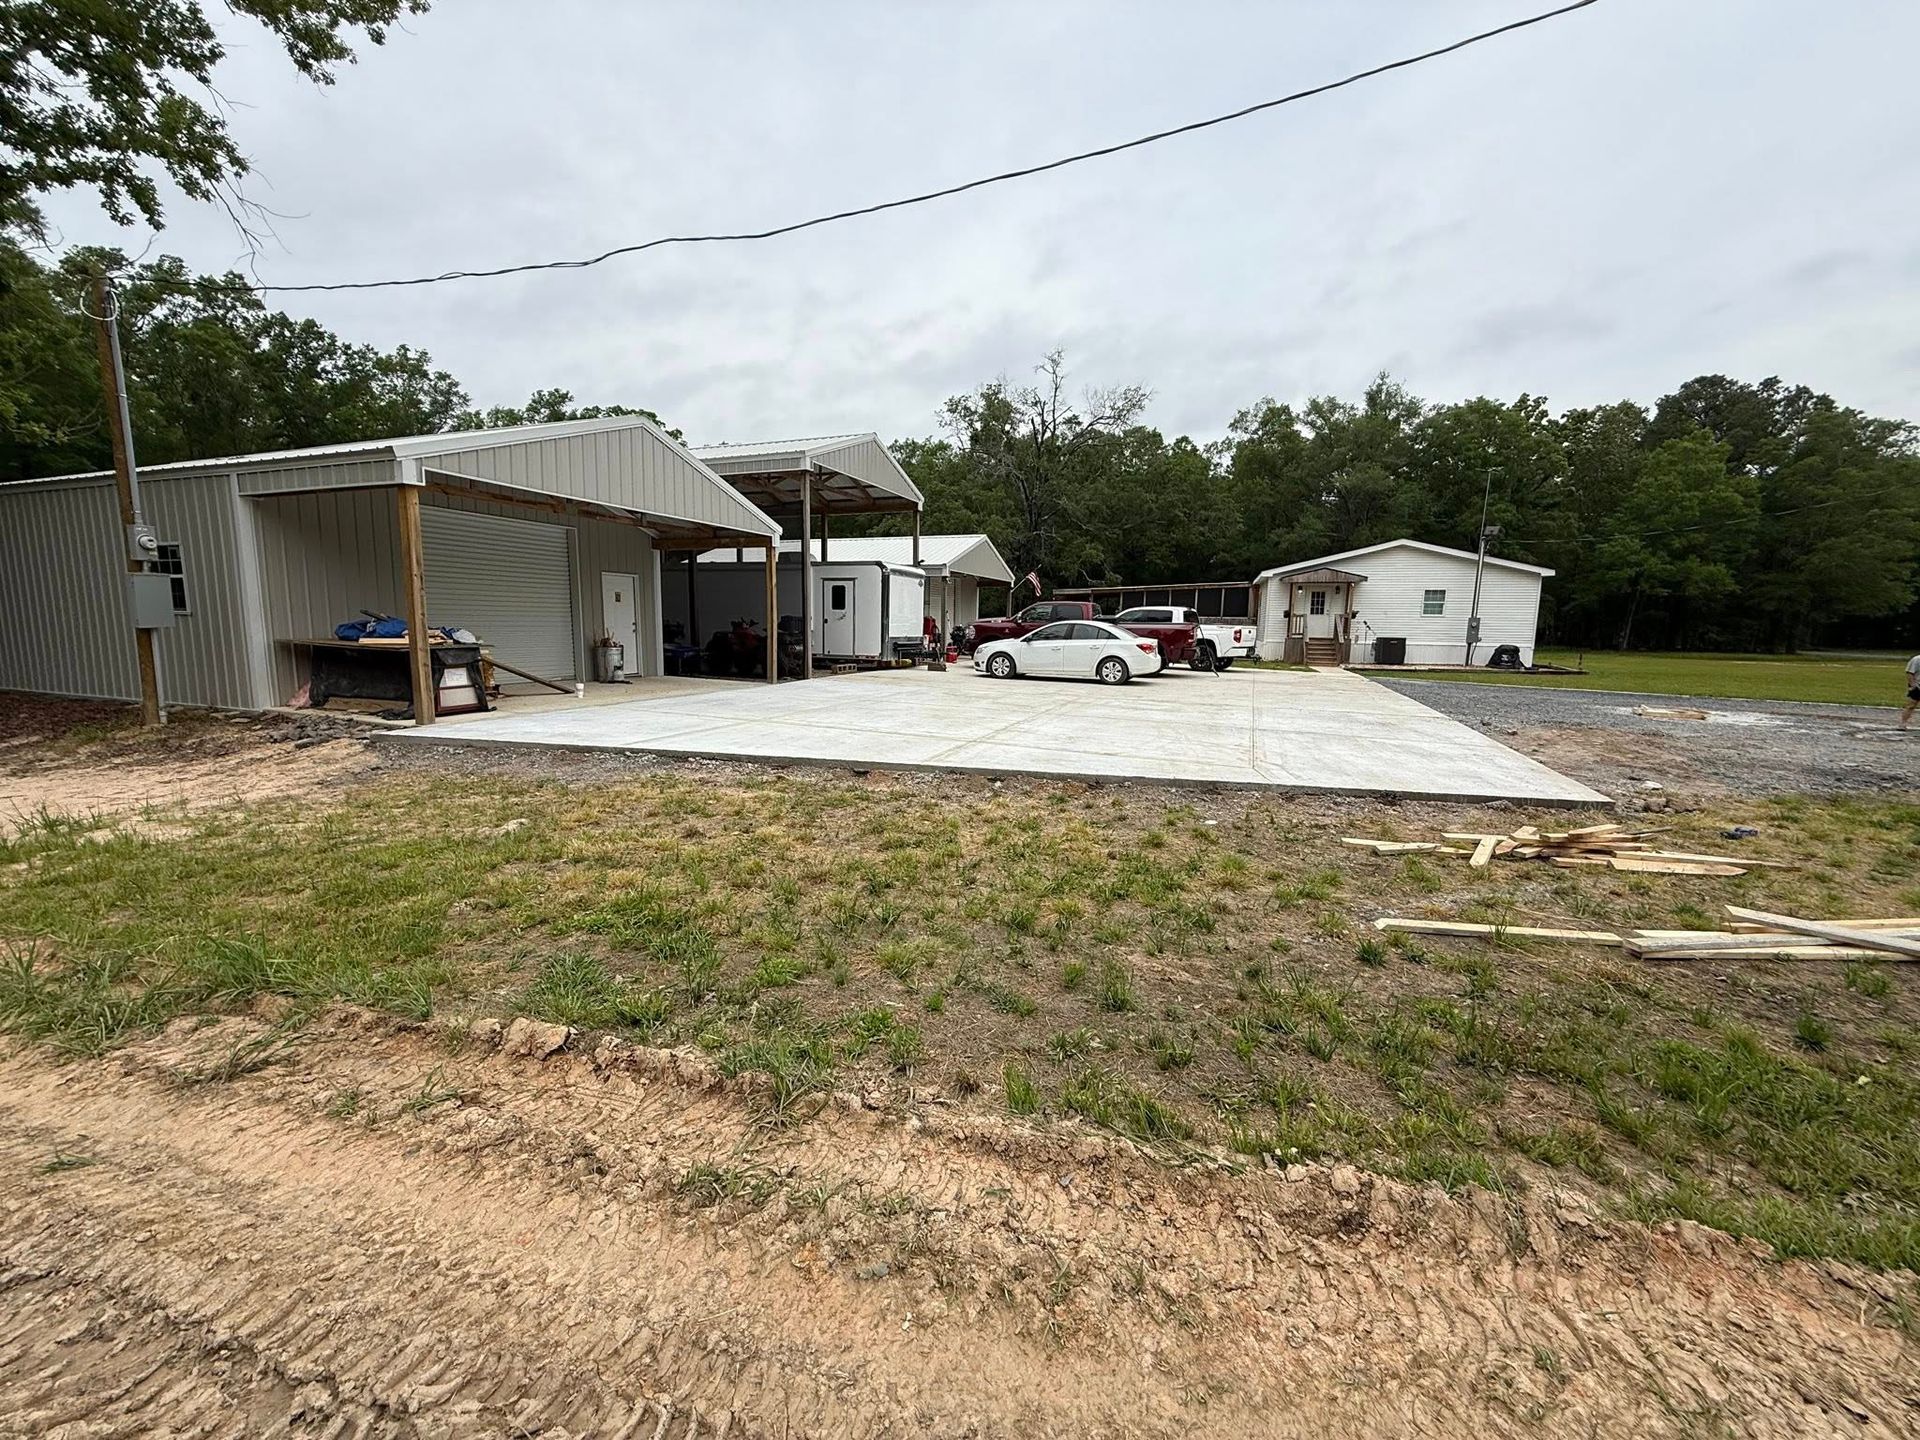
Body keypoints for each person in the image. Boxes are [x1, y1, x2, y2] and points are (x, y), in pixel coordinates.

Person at [1904, 652, 1920, 729]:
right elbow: (1910, 673)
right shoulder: (1917, 659)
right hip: (1917, 685)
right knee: (1911, 705)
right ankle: (1903, 723)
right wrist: (1912, 685)